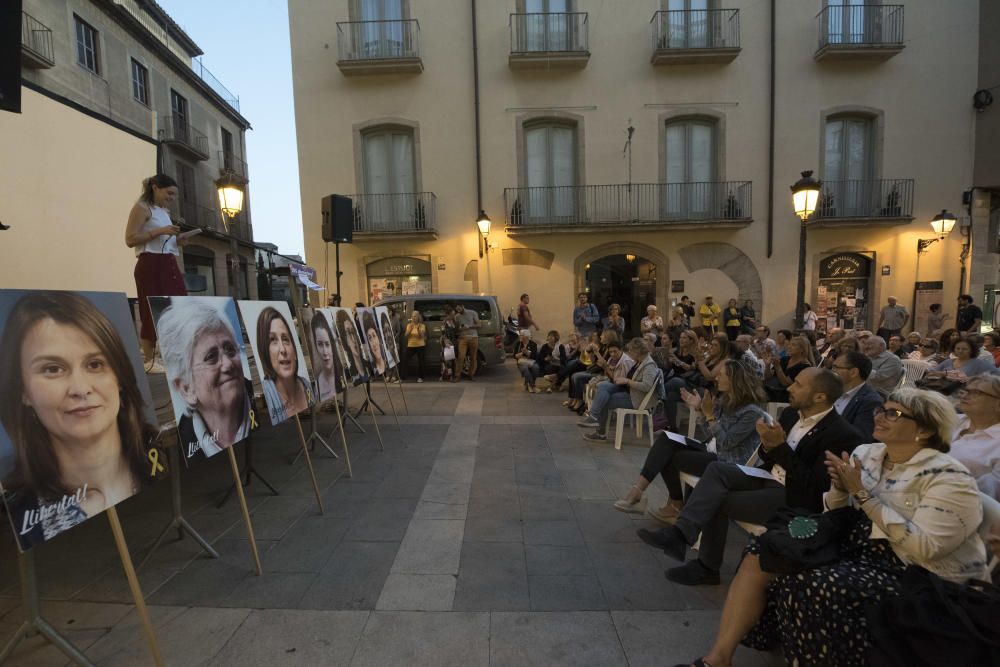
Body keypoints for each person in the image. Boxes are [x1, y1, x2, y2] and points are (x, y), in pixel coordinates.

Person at [680, 389, 987, 667]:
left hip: (919, 573)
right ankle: (718, 658)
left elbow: (925, 548)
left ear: (924, 429)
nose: (879, 416)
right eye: (882, 409)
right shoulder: (867, 454)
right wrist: (841, 489)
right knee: (764, 549)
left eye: (893, 414)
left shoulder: (947, 476)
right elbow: (836, 514)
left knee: (815, 583)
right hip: (860, 546)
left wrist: (863, 495)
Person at [638, 368, 861, 586]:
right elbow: (771, 453)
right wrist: (767, 444)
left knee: (717, 499)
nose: (790, 387)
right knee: (716, 470)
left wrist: (779, 447)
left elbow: (814, 488)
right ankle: (680, 534)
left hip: (792, 495)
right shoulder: (792, 414)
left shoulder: (840, 434)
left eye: (798, 385)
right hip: (767, 475)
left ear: (820, 396)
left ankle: (706, 567)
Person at [0, 292, 159, 547]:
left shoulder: (159, 461)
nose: (80, 388)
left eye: (95, 364)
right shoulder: (26, 521)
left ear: (118, 377)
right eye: (53, 369)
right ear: (23, 392)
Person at [615, 359, 768, 524]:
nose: (716, 378)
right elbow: (711, 434)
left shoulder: (752, 412)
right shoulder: (726, 401)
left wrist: (708, 414)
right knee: (666, 438)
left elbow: (726, 443)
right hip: (713, 450)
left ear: (734, 380)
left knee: (671, 457)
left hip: (729, 463)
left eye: (721, 375)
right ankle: (638, 491)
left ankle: (675, 504)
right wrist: (699, 410)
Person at [157, 298, 254, 461]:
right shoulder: (187, 442)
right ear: (187, 388)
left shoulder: (254, 410)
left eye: (230, 350)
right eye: (211, 357)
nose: (228, 364)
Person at [124, 174, 188, 373]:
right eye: (169, 193)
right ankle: (149, 361)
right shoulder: (142, 208)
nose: (172, 198)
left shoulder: (163, 211)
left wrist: (180, 240)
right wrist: (160, 232)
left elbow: (162, 242)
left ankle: (173, 355)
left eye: (174, 195)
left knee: (179, 306)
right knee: (150, 310)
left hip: (167, 262)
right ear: (155, 188)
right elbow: (130, 238)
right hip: (150, 263)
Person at [583, 338, 661, 442]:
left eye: (631, 351)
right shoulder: (640, 361)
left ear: (637, 351)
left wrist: (627, 381)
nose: (629, 353)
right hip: (630, 392)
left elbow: (647, 386)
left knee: (603, 399)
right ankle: (593, 416)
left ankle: (600, 432)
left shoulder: (649, 365)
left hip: (636, 399)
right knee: (604, 386)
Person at [257, 307, 311, 422]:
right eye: (273, 340)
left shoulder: (306, 386)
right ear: (264, 350)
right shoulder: (269, 393)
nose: (283, 349)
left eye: (286, 339)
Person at [951, 376, 1000, 499]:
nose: (965, 396)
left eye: (976, 392)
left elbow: (991, 493)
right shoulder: (952, 419)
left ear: (998, 404)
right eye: (966, 390)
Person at [577, 339, 635, 427]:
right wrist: (597, 354)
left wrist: (605, 367)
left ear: (621, 350)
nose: (612, 354)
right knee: (597, 385)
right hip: (614, 382)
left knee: (603, 387)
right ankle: (592, 415)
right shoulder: (612, 358)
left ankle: (594, 416)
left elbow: (618, 381)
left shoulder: (626, 361)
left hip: (624, 388)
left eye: (615, 351)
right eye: (610, 352)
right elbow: (606, 369)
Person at [830, 350, 884, 442]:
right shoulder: (829, 391)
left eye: (836, 367)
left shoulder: (871, 402)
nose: (831, 371)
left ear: (853, 372)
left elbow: (859, 438)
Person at [762, 335, 812, 403]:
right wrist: (767, 365)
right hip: (773, 390)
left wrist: (778, 367)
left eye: (793, 345)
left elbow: (785, 384)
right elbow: (767, 377)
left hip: (786, 396)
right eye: (789, 345)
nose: (789, 347)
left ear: (802, 349)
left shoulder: (805, 366)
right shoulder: (785, 359)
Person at [928, 337, 998, 380]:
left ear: (971, 350)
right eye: (957, 348)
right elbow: (932, 373)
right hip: (944, 392)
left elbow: (996, 374)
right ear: (954, 349)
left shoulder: (978, 363)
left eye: (964, 349)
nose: (960, 351)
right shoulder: (948, 361)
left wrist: (971, 379)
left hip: (966, 395)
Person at [308, 310, 341, 402]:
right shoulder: (318, 385)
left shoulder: (341, 374)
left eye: (327, 344)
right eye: (320, 344)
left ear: (333, 345)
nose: (325, 352)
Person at [335, 308, 368, 383]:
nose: (353, 339)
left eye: (353, 332)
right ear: (344, 339)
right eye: (349, 333)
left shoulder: (368, 365)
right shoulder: (350, 372)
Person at [454, 303, 480, 380]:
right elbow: (456, 329)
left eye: (459, 309)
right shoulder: (457, 316)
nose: (458, 311)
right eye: (457, 310)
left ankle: (471, 374)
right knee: (460, 357)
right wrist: (459, 328)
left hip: (473, 337)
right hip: (462, 338)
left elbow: (479, 325)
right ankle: (457, 376)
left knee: (473, 357)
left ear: (462, 306)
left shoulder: (472, 313)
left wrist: (469, 326)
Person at [360, 310, 387, 377]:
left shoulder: (387, 361)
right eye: (370, 339)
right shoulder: (374, 367)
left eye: (374, 336)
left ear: (378, 338)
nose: (374, 344)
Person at [403, 311, 427, 383]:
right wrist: (410, 329)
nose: (413, 318)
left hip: (420, 345)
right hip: (411, 345)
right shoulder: (409, 325)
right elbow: (406, 336)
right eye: (413, 316)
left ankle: (420, 377)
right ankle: (403, 377)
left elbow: (422, 337)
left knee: (421, 362)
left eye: (415, 316)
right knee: (405, 359)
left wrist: (418, 329)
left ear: (418, 317)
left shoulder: (422, 325)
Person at [440, 305, 458, 381]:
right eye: (453, 313)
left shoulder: (453, 321)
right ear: (449, 313)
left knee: (453, 360)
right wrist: (445, 342)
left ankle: (451, 375)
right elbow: (442, 333)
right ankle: (449, 376)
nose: (454, 314)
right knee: (448, 361)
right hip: (447, 342)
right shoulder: (444, 322)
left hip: (453, 342)